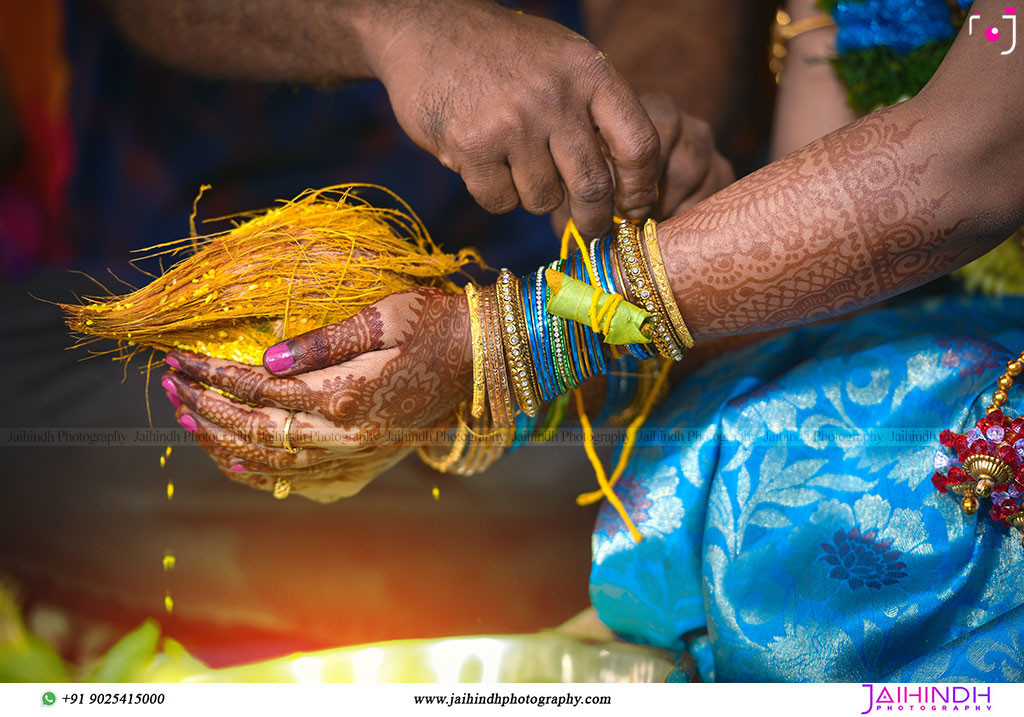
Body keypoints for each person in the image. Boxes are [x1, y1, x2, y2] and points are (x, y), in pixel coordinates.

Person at [163, 0, 1024, 681]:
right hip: (904, 322)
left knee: (789, 490)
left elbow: (966, 157)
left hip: (983, 361)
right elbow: (818, 298)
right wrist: (477, 403)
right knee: (737, 436)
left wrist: (495, 348)